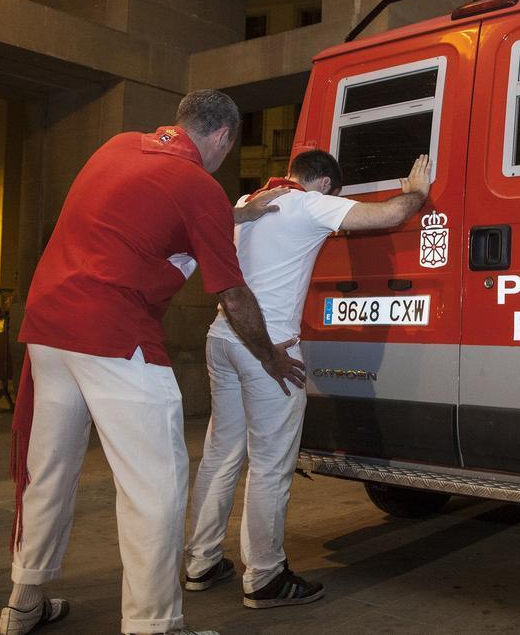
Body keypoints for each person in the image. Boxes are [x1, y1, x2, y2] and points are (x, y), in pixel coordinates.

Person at [0, 90, 304, 635]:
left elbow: (149, 209)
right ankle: (154, 625)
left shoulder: (116, 147)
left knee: (49, 470)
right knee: (155, 485)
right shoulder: (199, 187)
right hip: (116, 336)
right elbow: (234, 298)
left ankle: (24, 600)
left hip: (48, 329)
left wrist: (236, 211)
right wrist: (271, 357)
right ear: (223, 138)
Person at [183, 150, 432, 608]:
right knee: (270, 464)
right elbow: (389, 215)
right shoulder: (310, 203)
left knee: (221, 454)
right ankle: (264, 576)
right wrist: (415, 192)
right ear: (324, 185)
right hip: (268, 348)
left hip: (222, 335)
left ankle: (201, 561)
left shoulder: (248, 200)